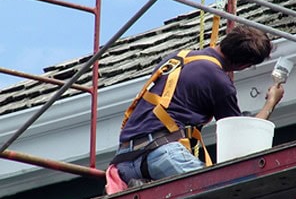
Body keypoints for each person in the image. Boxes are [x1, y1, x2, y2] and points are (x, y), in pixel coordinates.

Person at [108, 25, 284, 188]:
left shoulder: (178, 57)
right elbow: (242, 137)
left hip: (124, 160)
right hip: (163, 154)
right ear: (244, 65)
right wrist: (271, 102)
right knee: (225, 188)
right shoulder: (219, 81)